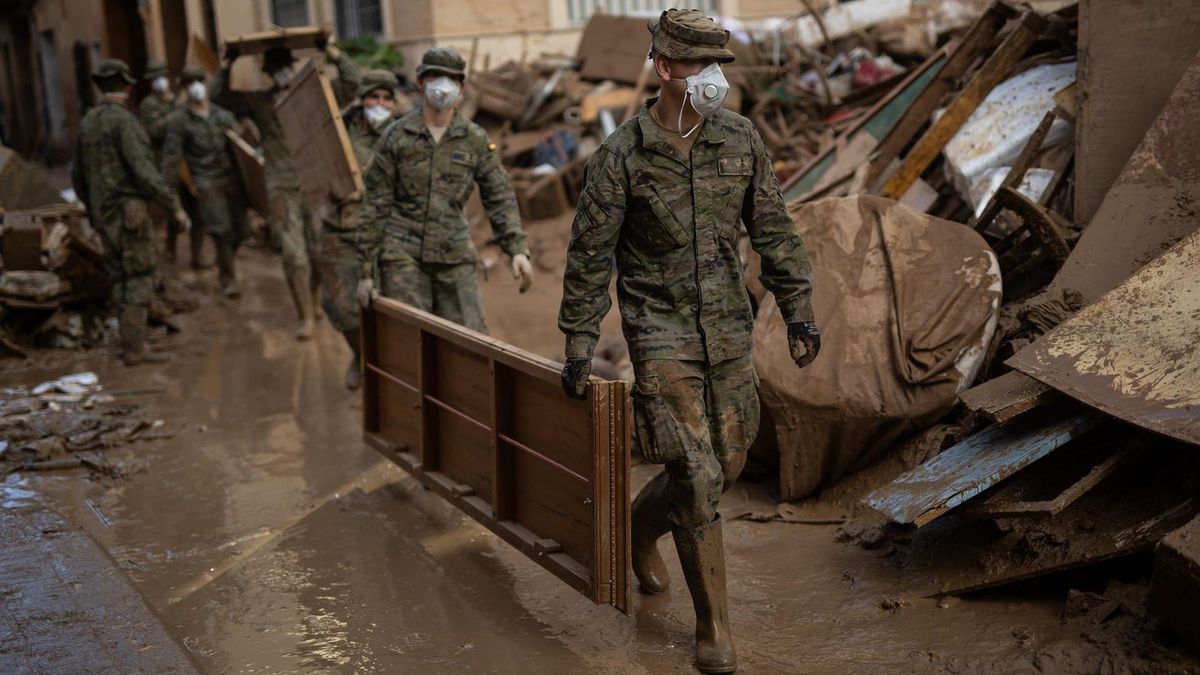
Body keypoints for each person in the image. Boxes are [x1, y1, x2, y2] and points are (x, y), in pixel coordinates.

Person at [556, 10, 820, 673]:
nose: (713, 79)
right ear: (666, 68)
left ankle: (640, 530)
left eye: (718, 67)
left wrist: (799, 309)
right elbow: (590, 260)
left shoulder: (740, 139)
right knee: (697, 474)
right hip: (661, 332)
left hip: (728, 325)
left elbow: (773, 229)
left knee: (724, 462)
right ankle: (714, 630)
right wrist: (579, 342)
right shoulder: (620, 158)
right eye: (700, 66)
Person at [356, 47, 533, 334]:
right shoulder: (397, 137)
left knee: (471, 340)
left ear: (461, 88)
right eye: (435, 76)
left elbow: (499, 194)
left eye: (451, 79)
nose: (443, 85)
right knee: (408, 339)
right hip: (403, 254)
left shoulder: (474, 139)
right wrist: (366, 270)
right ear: (421, 82)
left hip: (454, 252)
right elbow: (375, 205)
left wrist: (516, 249)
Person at [72, 59, 191, 366]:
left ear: (99, 85)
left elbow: (77, 177)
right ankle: (135, 350)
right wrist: (173, 206)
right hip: (130, 215)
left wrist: (92, 209)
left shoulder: (88, 122)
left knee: (120, 278)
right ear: (127, 86)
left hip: (103, 216)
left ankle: (132, 345)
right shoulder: (125, 122)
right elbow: (144, 172)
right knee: (140, 276)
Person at [213, 41, 322, 339]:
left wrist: (331, 51)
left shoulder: (311, 96)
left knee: (319, 253)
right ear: (270, 74)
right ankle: (305, 317)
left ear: (293, 67)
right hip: (282, 187)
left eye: (284, 67)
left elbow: (351, 86)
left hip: (314, 184)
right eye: (275, 70)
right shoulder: (260, 103)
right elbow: (218, 96)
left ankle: (314, 304)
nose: (281, 74)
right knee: (293, 255)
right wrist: (227, 65)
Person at [320, 41, 398, 390]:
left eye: (386, 98)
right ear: (361, 99)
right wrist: (333, 52)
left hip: (389, 235)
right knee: (341, 308)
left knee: (390, 310)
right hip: (342, 230)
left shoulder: (403, 136)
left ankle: (390, 371)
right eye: (373, 97)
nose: (380, 104)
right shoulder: (340, 132)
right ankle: (360, 354)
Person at [161, 65, 249, 298]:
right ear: (184, 88)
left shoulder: (222, 115)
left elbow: (241, 148)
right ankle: (228, 280)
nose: (196, 86)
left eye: (199, 80)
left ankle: (224, 259)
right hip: (206, 180)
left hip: (231, 178)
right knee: (221, 230)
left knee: (242, 229)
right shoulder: (179, 120)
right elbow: (172, 159)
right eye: (190, 83)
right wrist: (171, 198)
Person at [139, 58, 204, 268]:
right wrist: (177, 111)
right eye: (155, 78)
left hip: (188, 163)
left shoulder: (177, 98)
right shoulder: (149, 105)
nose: (160, 81)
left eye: (162, 77)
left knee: (197, 209)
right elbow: (154, 131)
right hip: (167, 164)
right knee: (174, 211)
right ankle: (170, 246)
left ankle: (197, 256)